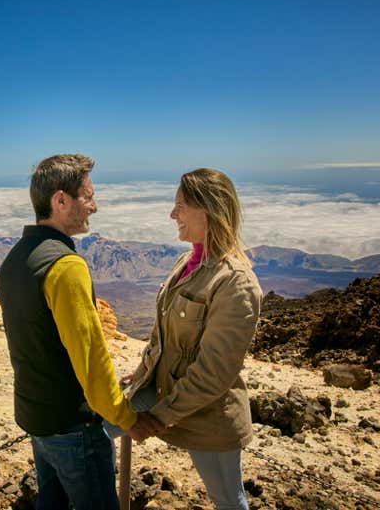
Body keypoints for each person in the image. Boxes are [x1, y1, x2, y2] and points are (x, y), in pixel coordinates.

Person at [0, 154, 163, 510]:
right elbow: (90, 358)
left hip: (37, 417)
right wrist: (126, 417)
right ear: (60, 200)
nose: (94, 206)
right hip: (73, 427)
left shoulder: (15, 259)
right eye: (88, 197)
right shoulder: (65, 266)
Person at [121, 168, 262, 510]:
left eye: (181, 206)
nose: (173, 214)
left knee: (228, 499)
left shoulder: (235, 283)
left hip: (209, 417)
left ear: (209, 210)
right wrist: (142, 373)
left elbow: (214, 372)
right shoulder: (187, 262)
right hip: (165, 394)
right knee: (97, 428)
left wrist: (159, 417)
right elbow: (164, 335)